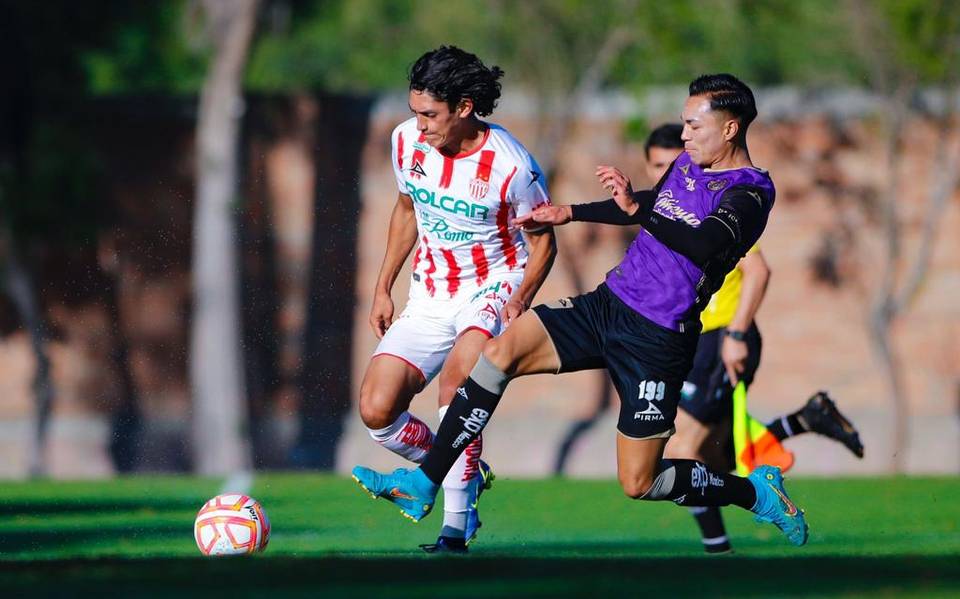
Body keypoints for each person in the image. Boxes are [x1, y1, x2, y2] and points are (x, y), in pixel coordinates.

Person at [354, 73, 810, 547]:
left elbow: (703, 241)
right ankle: (424, 482)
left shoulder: (751, 192)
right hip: (607, 305)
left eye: (694, 125)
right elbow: (658, 204)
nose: (686, 134)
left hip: (658, 339)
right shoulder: (688, 164)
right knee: (497, 354)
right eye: (683, 124)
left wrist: (638, 210)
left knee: (640, 482)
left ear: (731, 129)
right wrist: (572, 212)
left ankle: (755, 493)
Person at [355, 46, 556, 553]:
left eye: (429, 115)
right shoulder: (407, 143)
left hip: (491, 288)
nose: (418, 126)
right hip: (429, 293)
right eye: (414, 112)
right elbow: (406, 212)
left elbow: (544, 242)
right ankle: (457, 467)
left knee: (456, 386)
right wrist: (383, 286)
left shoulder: (512, 166)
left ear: (465, 107)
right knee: (376, 409)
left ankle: (454, 528)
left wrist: (522, 298)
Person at [640, 123, 865, 554]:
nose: (663, 173)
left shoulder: (712, 201)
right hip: (694, 341)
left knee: (685, 448)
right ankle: (806, 419)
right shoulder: (668, 207)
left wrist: (736, 334)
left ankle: (718, 553)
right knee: (721, 458)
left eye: (671, 164)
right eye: (655, 165)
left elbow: (758, 270)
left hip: (720, 339)